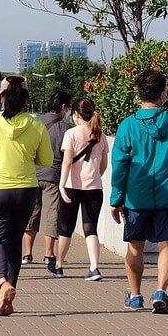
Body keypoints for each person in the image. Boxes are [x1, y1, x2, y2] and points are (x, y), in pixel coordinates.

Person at [110, 69, 168, 314]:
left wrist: (116, 198)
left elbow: (119, 165)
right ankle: (160, 291)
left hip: (136, 196)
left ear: (139, 93)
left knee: (135, 246)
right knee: (166, 244)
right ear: (163, 92)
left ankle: (135, 296)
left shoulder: (127, 126)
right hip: (167, 193)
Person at [0, 76, 51, 316]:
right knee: (15, 242)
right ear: (26, 100)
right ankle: (9, 292)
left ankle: (2, 282)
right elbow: (45, 160)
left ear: (2, 98)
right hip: (26, 190)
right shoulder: (36, 126)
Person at [57, 97, 108, 280]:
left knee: (65, 227)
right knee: (90, 228)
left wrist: (61, 185)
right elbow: (104, 164)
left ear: (76, 114)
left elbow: (67, 162)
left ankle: (59, 265)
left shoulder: (71, 134)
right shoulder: (99, 134)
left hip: (72, 186)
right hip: (94, 188)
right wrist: (94, 176)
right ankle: (94, 268)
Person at [25, 90, 72, 274]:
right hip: (53, 175)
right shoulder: (65, 128)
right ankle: (49, 253)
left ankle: (27, 253)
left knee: (32, 212)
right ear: (63, 107)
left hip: (33, 173)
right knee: (52, 213)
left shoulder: (35, 123)